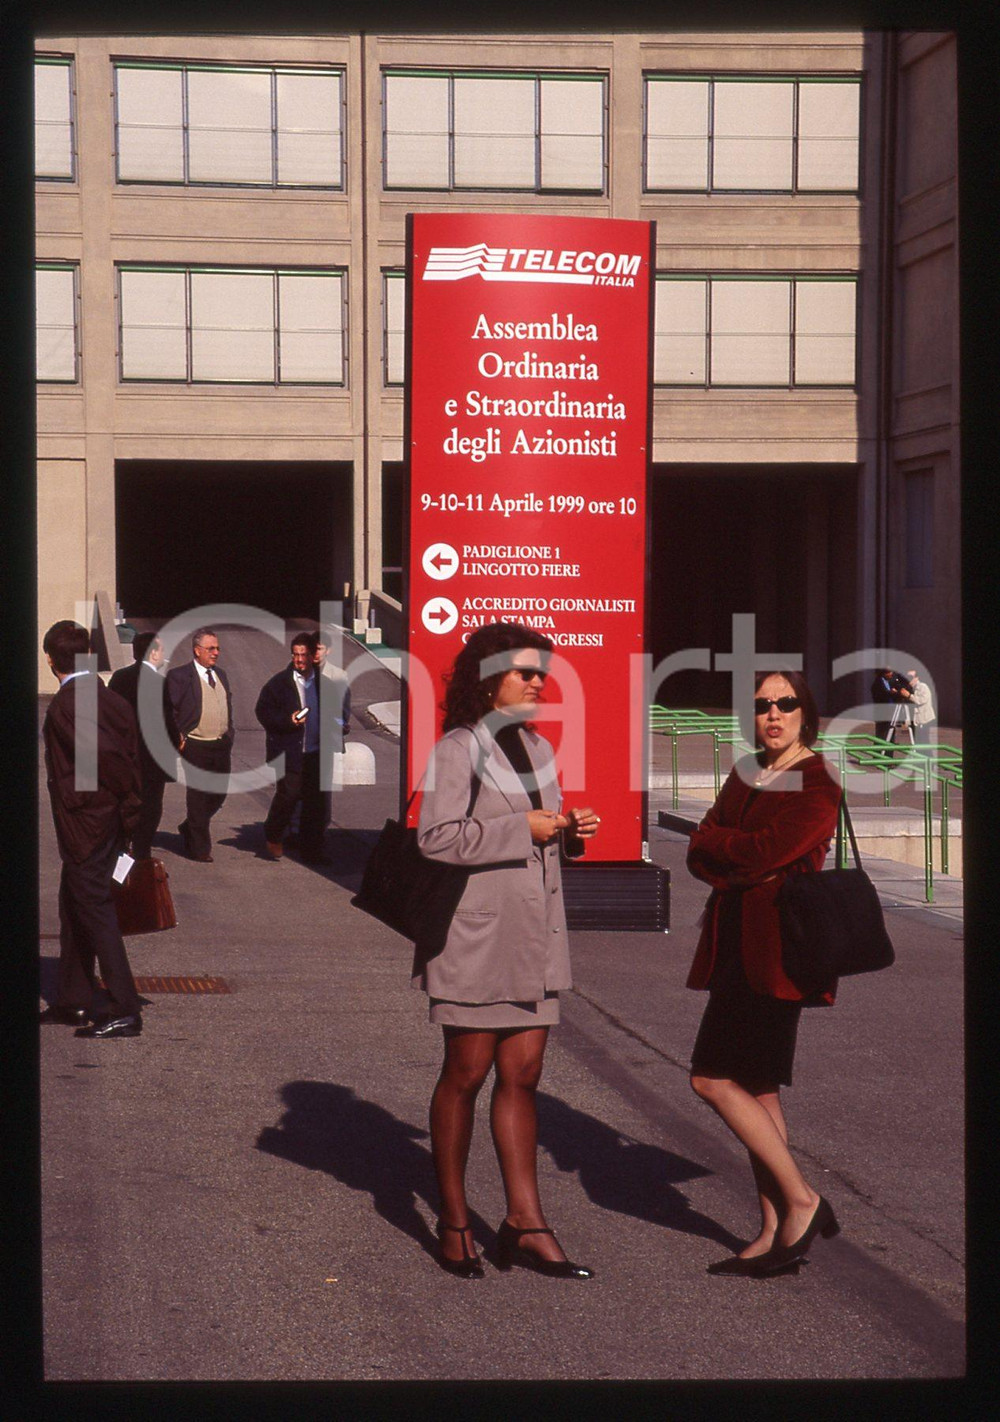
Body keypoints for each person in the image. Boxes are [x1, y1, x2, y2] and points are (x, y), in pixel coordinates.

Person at [414, 622, 600, 1279]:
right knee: (465, 1074)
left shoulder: (533, 746)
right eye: (524, 671)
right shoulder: (458, 749)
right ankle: (455, 1219)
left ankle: (525, 1221)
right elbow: (435, 838)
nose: (537, 682)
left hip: (534, 937)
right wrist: (522, 827)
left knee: (523, 1076)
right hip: (476, 936)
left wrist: (567, 830)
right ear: (488, 678)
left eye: (541, 673)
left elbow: (533, 833)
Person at [685, 670, 843, 1278]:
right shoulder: (749, 770)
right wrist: (732, 851)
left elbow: (759, 852)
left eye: (786, 704)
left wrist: (727, 846)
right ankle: (774, 1229)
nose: (772, 714)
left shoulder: (818, 779)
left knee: (711, 1079)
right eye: (761, 705)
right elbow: (703, 849)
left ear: (806, 713)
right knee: (758, 1086)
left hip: (779, 953)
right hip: (733, 945)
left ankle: (803, 1201)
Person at [40, 620, 145, 1038]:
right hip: (102, 819)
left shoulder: (70, 703)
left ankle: (125, 1007)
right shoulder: (108, 697)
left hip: (87, 825)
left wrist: (109, 802)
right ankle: (73, 1000)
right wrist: (125, 809)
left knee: (96, 911)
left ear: (51, 659)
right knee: (73, 908)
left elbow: (105, 761)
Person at [255, 632, 344, 863]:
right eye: (295, 655)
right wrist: (288, 720)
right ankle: (273, 834)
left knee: (315, 804)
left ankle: (312, 850)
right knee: (289, 795)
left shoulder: (325, 685)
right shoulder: (278, 684)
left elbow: (338, 714)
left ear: (313, 656)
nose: (299, 660)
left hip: (317, 753)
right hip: (289, 752)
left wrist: (340, 726)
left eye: (303, 655)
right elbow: (263, 712)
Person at [166, 628, 234, 863]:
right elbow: (170, 710)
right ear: (197, 651)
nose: (216, 653)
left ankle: (190, 827)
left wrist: (229, 733)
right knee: (198, 796)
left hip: (220, 744)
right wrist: (178, 736)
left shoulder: (221, 675)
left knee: (218, 794)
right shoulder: (179, 676)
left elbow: (227, 705)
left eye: (218, 648)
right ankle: (199, 848)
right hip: (195, 745)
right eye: (211, 648)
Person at [108, 632, 178, 859]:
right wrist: (177, 744)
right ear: (153, 653)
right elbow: (167, 722)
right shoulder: (159, 682)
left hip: (123, 756)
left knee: (125, 803)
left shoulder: (119, 678)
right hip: (151, 759)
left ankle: (122, 847)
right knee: (150, 806)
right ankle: (141, 850)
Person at [906, 670, 936, 744]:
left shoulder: (922, 686)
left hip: (924, 719)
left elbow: (921, 700)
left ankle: (927, 755)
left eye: (910, 677)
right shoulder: (911, 688)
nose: (908, 680)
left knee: (924, 741)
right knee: (917, 741)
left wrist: (909, 696)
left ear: (917, 678)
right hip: (917, 720)